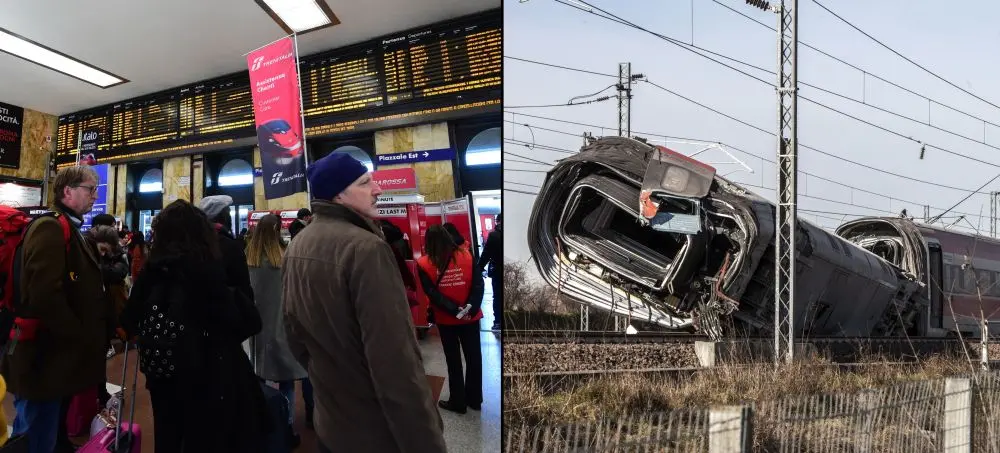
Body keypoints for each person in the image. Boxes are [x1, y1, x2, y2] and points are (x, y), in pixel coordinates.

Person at [283, 152, 446, 453]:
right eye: (365, 182)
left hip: (331, 422)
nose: (378, 189)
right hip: (376, 432)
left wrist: (331, 374)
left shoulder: (298, 245)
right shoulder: (366, 249)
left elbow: (294, 334)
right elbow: (395, 363)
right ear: (339, 195)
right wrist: (427, 443)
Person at [120, 199, 270, 453]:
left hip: (162, 373)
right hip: (206, 373)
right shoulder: (207, 270)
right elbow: (246, 322)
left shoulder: (151, 271)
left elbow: (128, 322)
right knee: (204, 438)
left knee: (167, 435)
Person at [2, 166, 109, 453]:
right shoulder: (51, 227)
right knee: (35, 436)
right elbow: (43, 294)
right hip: (42, 356)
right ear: (67, 191)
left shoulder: (69, 228)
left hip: (54, 357)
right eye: (89, 189)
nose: (94, 196)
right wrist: (78, 335)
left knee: (45, 430)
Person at [246, 213, 313, 446]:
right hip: (283, 326)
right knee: (287, 381)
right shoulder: (285, 260)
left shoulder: (249, 261)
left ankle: (262, 423)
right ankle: (286, 426)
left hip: (256, 330)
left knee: (259, 379)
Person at [416, 225, 484, 414]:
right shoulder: (467, 256)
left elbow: (432, 293)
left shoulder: (424, 263)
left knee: (453, 360)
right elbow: (478, 284)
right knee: (474, 357)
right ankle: (475, 399)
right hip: (470, 317)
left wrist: (454, 310)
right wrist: (471, 307)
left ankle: (458, 402)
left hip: (447, 320)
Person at [198, 195, 254, 302]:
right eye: (228, 212)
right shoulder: (230, 246)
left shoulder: (194, 243)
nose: (229, 216)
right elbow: (243, 288)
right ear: (223, 216)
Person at [478, 214, 503, 330]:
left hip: (497, 270)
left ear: (497, 221)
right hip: (511, 272)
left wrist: (480, 267)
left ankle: (498, 322)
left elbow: (486, 254)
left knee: (497, 296)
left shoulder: (493, 235)